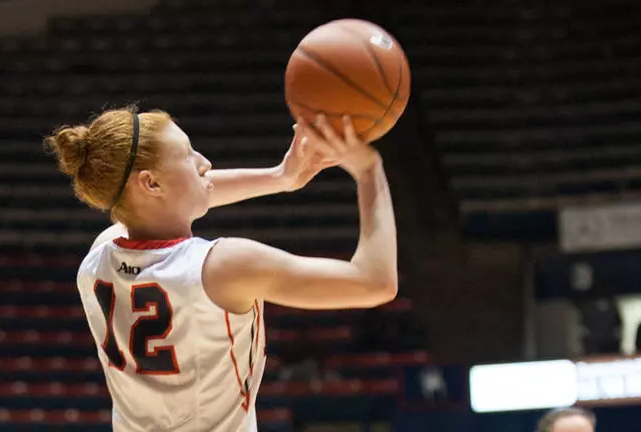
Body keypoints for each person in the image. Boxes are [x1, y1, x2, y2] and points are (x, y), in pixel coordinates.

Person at [45, 107, 398, 432]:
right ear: (151, 184)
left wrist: (282, 176)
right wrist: (369, 171)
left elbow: (170, 201)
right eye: (187, 154)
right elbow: (376, 282)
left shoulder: (96, 261)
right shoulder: (223, 267)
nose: (205, 163)